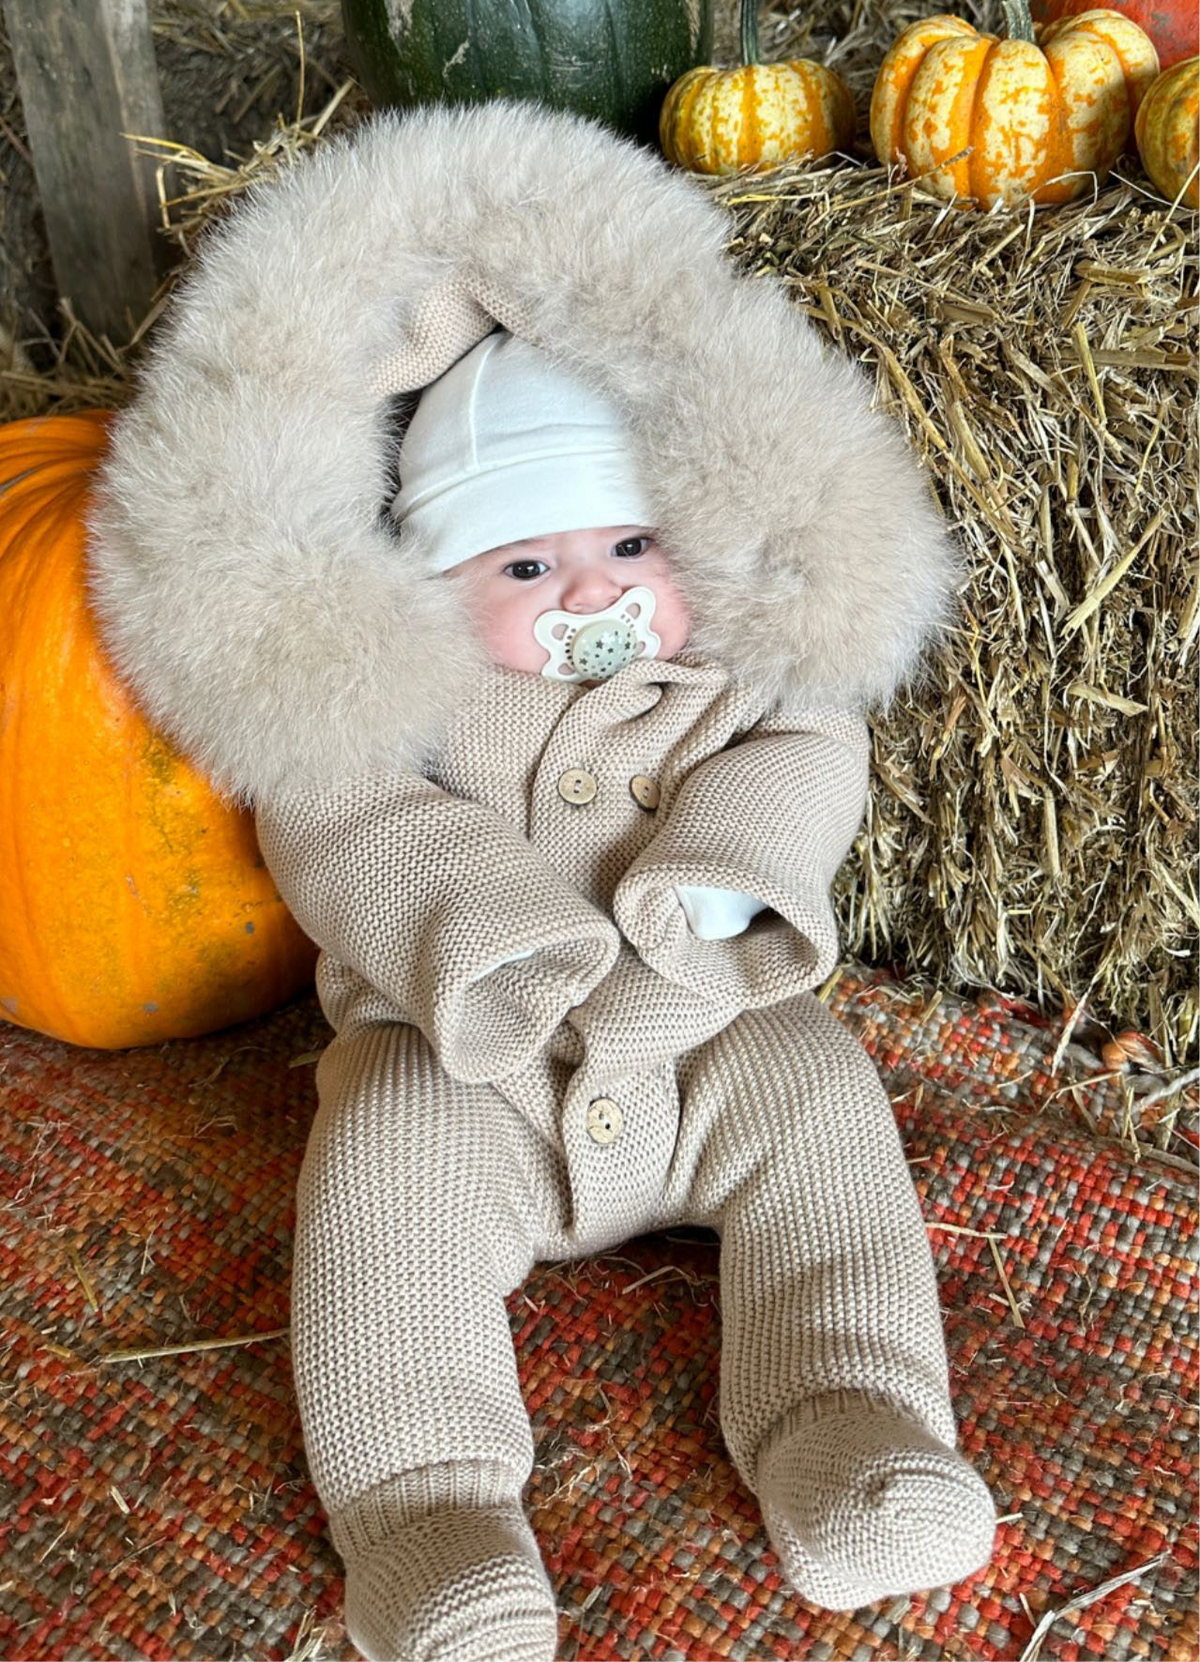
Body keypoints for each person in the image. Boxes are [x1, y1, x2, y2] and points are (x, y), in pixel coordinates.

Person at [84, 100, 996, 1662]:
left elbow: (808, 752)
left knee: (823, 1105)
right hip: (470, 1062)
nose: (589, 590)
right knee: (383, 1167)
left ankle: (852, 1415)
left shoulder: (728, 677)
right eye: (523, 565)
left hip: (704, 1029)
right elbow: (345, 823)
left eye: (630, 546)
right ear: (432, 588)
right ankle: (429, 1509)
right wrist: (481, 933)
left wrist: (726, 878)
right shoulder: (404, 702)